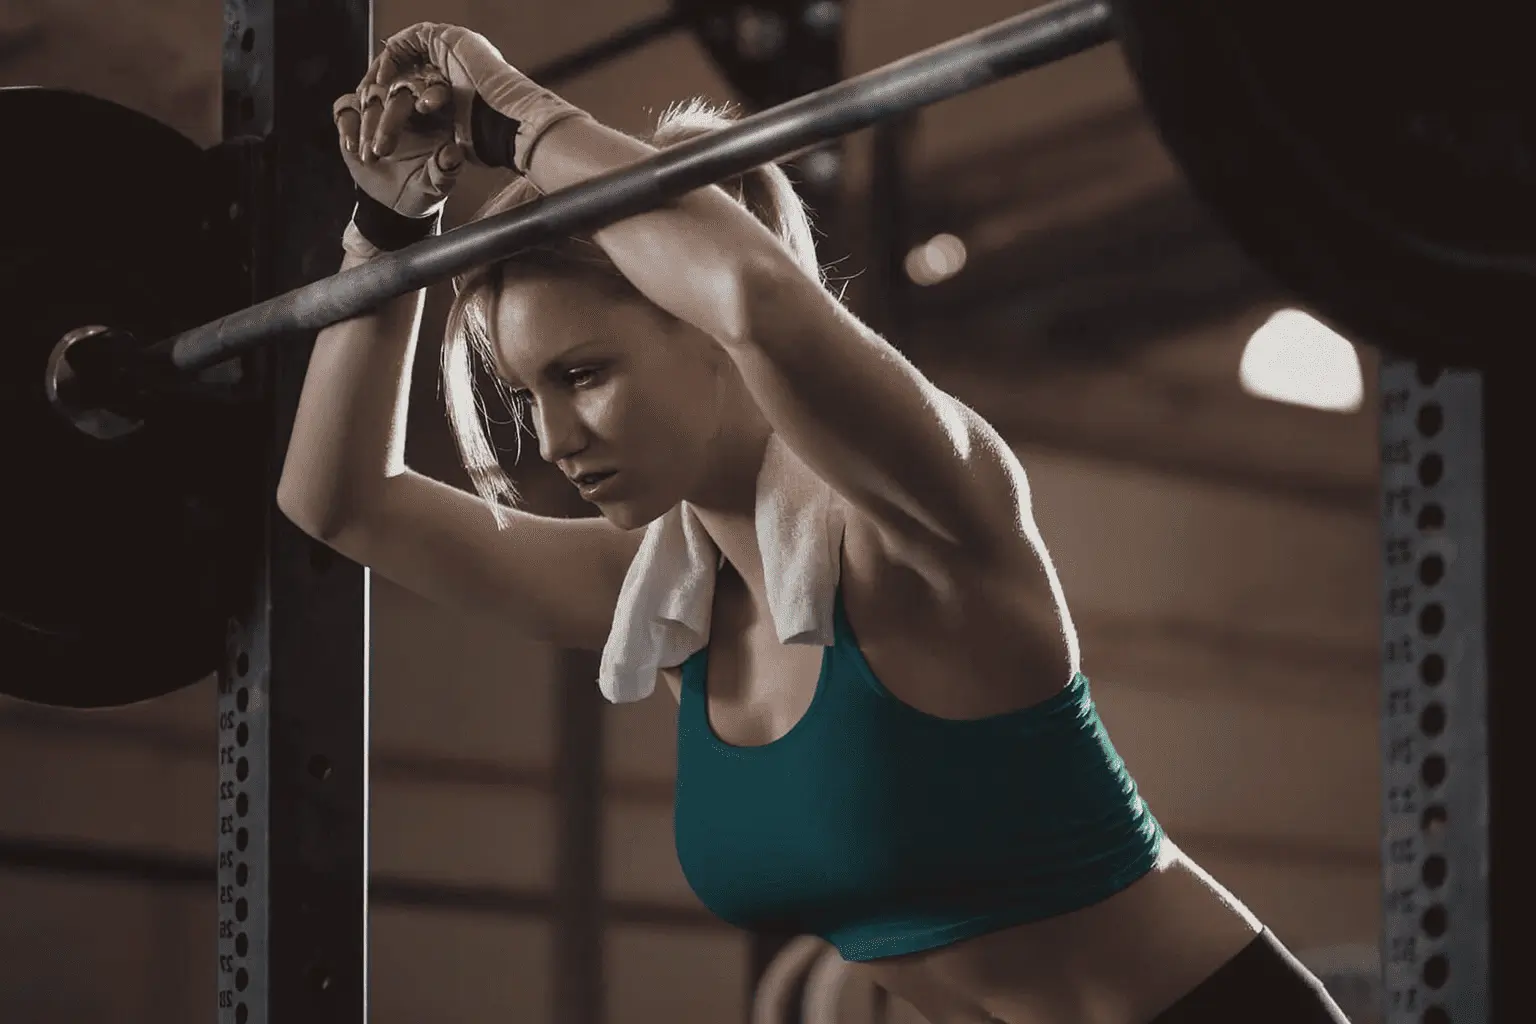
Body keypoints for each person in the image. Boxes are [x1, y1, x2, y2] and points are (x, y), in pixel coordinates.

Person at [279, 22, 1352, 1024]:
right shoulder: (668, 606)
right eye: (529, 394)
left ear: (703, 328)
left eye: (586, 374)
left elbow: (756, 298)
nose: (555, 437)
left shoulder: (926, 525)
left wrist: (518, 117)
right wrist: (385, 236)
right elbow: (339, 502)